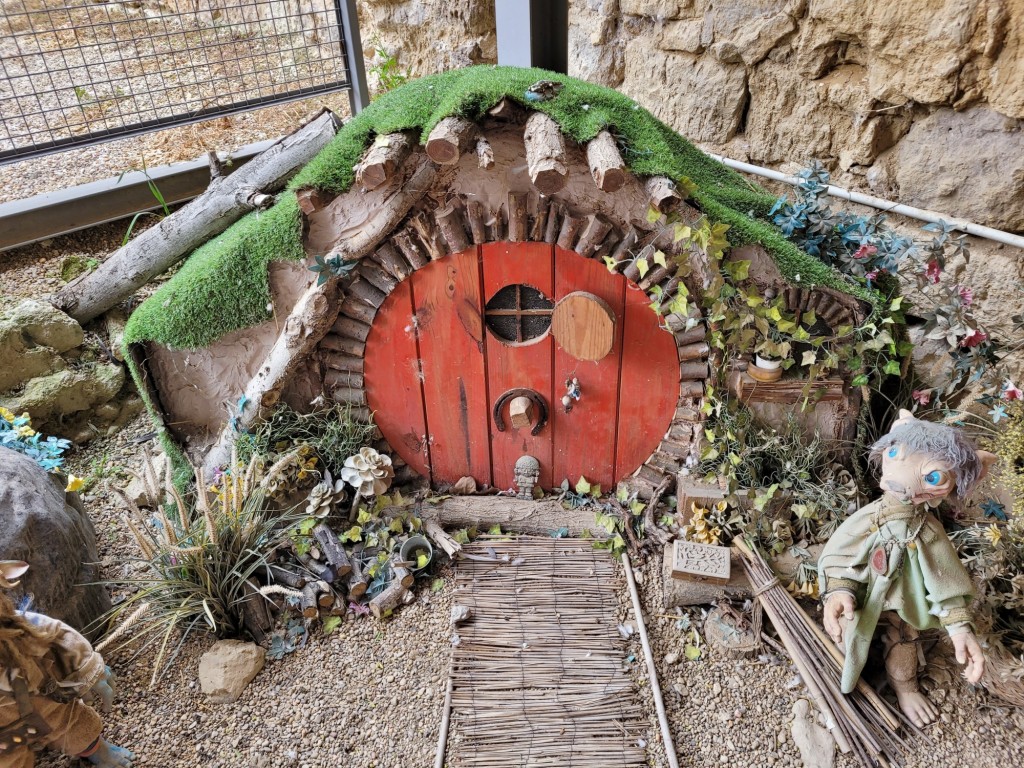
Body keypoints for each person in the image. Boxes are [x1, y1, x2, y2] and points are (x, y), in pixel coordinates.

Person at [818, 410, 992, 727]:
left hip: (903, 603)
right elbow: (841, 553)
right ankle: (841, 671)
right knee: (845, 631)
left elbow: (945, 578)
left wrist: (958, 628)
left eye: (934, 476)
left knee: (904, 643)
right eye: (895, 452)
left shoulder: (927, 530)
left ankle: (904, 687)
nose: (901, 475)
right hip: (863, 594)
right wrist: (839, 591)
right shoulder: (872, 518)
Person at [0, 561, 133, 767]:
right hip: (4, 737)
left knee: (76, 727)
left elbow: (52, 634)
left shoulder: (12, 629)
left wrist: (87, 668)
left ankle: (98, 751)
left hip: (43, 702)